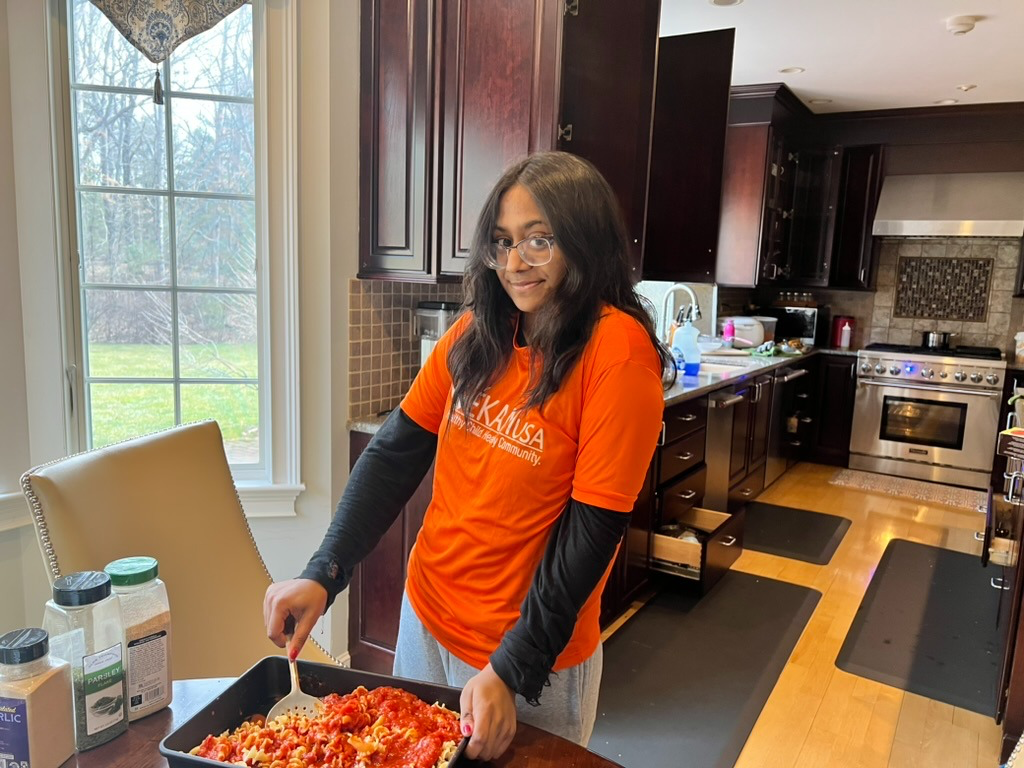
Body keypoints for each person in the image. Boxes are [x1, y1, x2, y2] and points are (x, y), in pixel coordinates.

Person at [263, 151, 675, 761]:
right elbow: (394, 453)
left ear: (585, 241)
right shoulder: (479, 332)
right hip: (425, 621)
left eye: (539, 240)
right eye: (502, 242)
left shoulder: (618, 355)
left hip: (525, 655)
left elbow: (591, 536)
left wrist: (511, 667)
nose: (514, 263)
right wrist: (324, 572)